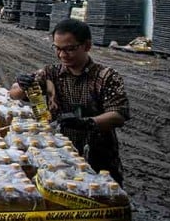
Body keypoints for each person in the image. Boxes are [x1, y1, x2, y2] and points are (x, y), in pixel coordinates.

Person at [9, 18, 130, 185]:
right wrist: (23, 84)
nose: (62, 55)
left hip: (97, 153)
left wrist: (86, 123)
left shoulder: (106, 77)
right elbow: (14, 94)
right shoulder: (51, 73)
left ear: (87, 46)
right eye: (57, 49)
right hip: (57, 152)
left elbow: (118, 114)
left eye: (69, 49)